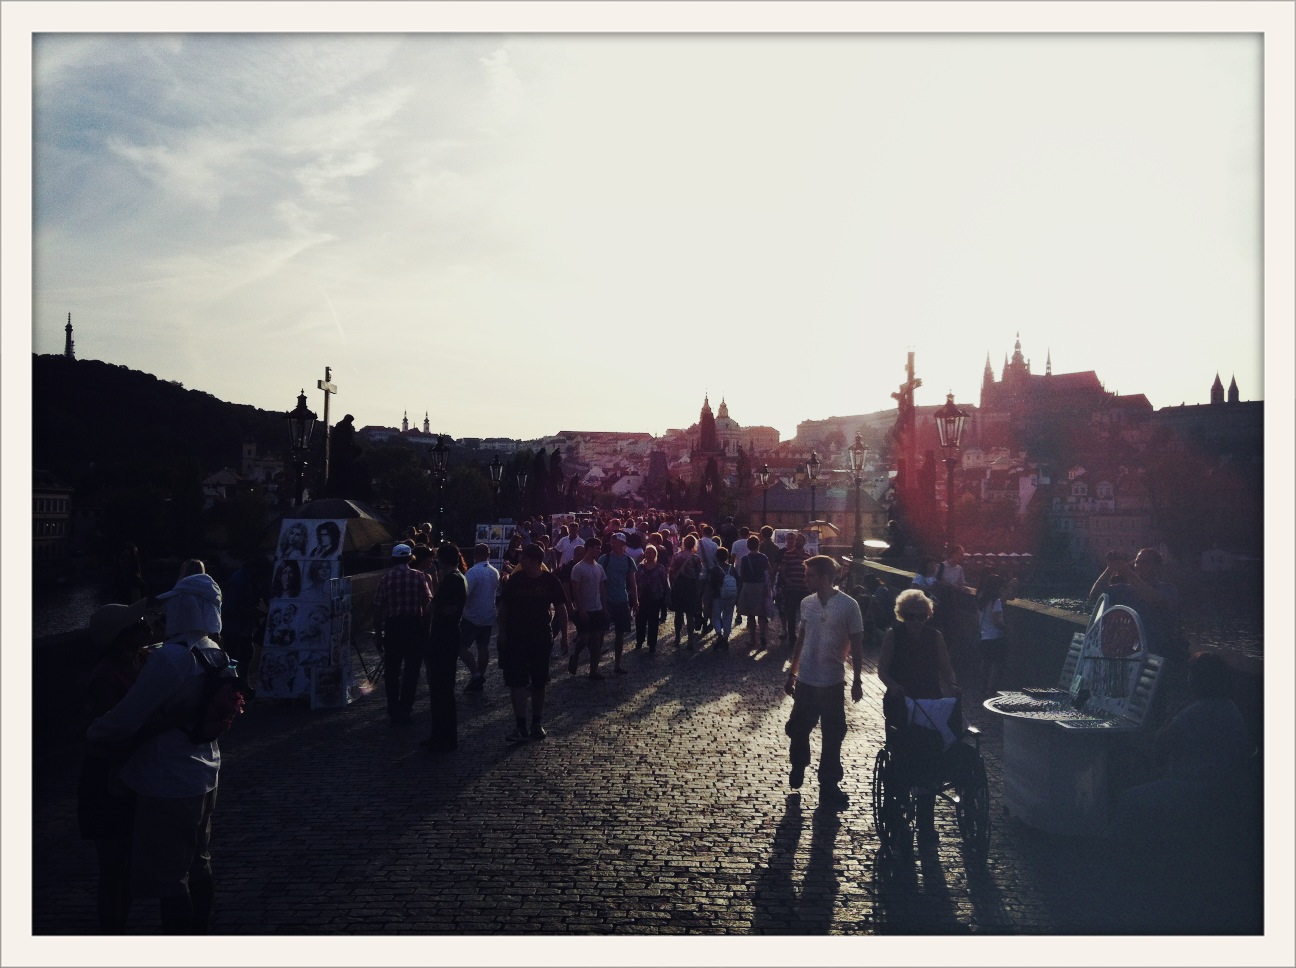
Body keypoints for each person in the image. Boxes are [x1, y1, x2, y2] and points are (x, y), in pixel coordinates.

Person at [85, 571, 227, 933]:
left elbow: (126, 717)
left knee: (170, 880)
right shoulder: (214, 652)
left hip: (169, 780)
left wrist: (94, 731)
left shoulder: (171, 658)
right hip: (205, 771)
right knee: (199, 863)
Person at [1114, 651, 1250, 842]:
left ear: (1197, 679)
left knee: (1129, 798)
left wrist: (1175, 712)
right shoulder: (1229, 707)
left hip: (1194, 789)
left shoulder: (1198, 711)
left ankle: (1122, 848)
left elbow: (1160, 745)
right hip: (1222, 788)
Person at [78, 599, 154, 933]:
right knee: (113, 867)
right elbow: (113, 734)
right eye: (138, 623)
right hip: (108, 778)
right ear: (122, 636)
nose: (146, 625)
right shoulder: (105, 678)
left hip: (133, 773)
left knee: (128, 866)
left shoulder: (143, 659)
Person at [877, 588, 972, 845]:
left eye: (921, 616)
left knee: (930, 753)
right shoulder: (893, 635)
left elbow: (946, 668)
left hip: (929, 698)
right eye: (910, 616)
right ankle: (900, 802)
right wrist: (893, 686)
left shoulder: (935, 636)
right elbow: (882, 670)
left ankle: (926, 820)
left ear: (927, 616)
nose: (916, 621)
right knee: (903, 750)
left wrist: (953, 685)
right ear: (902, 615)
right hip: (901, 699)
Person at [782, 556, 865, 809]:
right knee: (798, 728)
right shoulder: (807, 603)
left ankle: (828, 782)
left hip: (832, 682)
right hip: (806, 679)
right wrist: (792, 672)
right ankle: (799, 763)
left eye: (810, 575)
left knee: (833, 734)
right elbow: (802, 639)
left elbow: (857, 644)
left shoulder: (849, 605)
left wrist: (857, 680)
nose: (805, 579)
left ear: (825, 577)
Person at [497, 543, 571, 742]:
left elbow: (561, 608)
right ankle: (520, 725)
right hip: (516, 636)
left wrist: (565, 635)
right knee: (516, 681)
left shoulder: (550, 580)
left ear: (535, 560)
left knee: (539, 681)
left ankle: (537, 723)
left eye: (525, 558)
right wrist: (502, 631)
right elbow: (503, 606)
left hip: (540, 636)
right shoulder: (516, 580)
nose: (521, 560)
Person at [372, 543, 433, 725]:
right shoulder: (419, 576)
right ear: (410, 558)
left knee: (392, 671)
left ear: (393, 559)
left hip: (393, 627)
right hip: (413, 625)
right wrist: (426, 628)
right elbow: (427, 604)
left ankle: (392, 708)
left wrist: (378, 633)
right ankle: (406, 707)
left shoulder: (385, 579)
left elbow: (377, 609)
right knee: (412, 670)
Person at [1087, 547, 1182, 660]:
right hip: (1124, 652)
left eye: (1144, 562)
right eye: (1137, 562)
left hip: (1155, 653)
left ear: (1157, 567)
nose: (1139, 565)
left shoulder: (1168, 589)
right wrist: (1110, 569)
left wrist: (1127, 572)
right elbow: (1094, 596)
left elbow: (1155, 600)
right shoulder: (1123, 589)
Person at [421, 543, 468, 753]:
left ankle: (443, 736)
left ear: (443, 559)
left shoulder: (450, 580)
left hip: (443, 638)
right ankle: (443, 735)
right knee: (444, 688)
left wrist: (435, 607)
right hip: (450, 636)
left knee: (441, 689)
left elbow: (430, 608)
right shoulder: (459, 578)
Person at [459, 543, 500, 693]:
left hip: (472, 615)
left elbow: (464, 594)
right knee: (483, 647)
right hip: (488, 614)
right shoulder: (494, 571)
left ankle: (475, 674)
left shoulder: (472, 572)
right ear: (488, 554)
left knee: (460, 646)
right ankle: (480, 675)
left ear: (475, 554)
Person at [598, 532, 638, 675]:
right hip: (606, 600)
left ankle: (617, 664)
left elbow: (632, 582)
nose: (614, 544)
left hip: (622, 599)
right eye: (612, 541)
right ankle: (595, 664)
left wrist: (636, 600)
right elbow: (598, 580)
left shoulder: (629, 560)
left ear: (623, 544)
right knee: (601, 632)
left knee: (620, 634)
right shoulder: (604, 558)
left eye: (617, 542)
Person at [568, 538, 609, 678]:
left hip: (597, 608)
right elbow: (575, 591)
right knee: (584, 638)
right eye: (597, 548)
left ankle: (593, 671)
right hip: (584, 609)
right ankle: (575, 655)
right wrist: (580, 609)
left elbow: (602, 589)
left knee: (596, 640)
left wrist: (604, 607)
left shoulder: (599, 568)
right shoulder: (578, 568)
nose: (599, 551)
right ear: (590, 549)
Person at [668, 533, 704, 650]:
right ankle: (690, 640)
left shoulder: (677, 556)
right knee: (690, 614)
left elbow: (671, 571)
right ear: (694, 545)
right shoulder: (696, 558)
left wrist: (672, 585)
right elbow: (699, 573)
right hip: (691, 587)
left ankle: (677, 638)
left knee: (678, 614)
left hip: (679, 586)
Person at [736, 534, 772, 649]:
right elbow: (769, 571)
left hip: (748, 586)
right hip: (761, 586)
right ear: (758, 545)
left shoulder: (744, 558)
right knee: (762, 613)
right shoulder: (764, 557)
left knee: (750, 614)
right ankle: (762, 636)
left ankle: (752, 639)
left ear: (748, 546)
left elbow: (742, 574)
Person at [634, 543, 670, 654]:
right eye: (647, 552)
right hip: (642, 597)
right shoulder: (639, 567)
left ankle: (652, 644)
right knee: (640, 621)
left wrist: (666, 595)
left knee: (653, 622)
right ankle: (639, 641)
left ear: (655, 554)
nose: (648, 554)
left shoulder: (660, 567)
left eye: (650, 553)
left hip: (655, 598)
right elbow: (635, 581)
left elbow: (664, 582)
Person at [976, 573, 1008, 696]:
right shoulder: (996, 602)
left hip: (984, 635)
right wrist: (1006, 628)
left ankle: (982, 687)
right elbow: (997, 621)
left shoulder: (982, 598)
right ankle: (990, 690)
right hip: (995, 636)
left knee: (985, 663)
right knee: (996, 665)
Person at [776, 532, 810, 646]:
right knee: (791, 613)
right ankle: (792, 637)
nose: (798, 542)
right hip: (792, 589)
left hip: (804, 589)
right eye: (797, 540)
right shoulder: (788, 554)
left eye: (800, 540)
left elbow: (810, 572)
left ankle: (804, 636)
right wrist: (787, 581)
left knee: (805, 615)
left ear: (804, 542)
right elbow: (782, 570)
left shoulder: (808, 556)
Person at [708, 547, 737, 649]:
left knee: (716, 616)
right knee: (728, 616)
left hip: (718, 596)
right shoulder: (732, 568)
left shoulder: (715, 569)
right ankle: (726, 637)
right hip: (731, 596)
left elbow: (712, 584)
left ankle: (719, 635)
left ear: (716, 557)